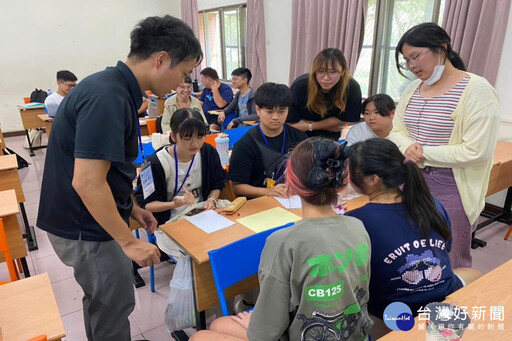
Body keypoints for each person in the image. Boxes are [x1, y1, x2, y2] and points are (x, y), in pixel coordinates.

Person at [36, 15, 202, 341]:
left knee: (102, 302)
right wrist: (129, 242)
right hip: (85, 227)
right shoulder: (107, 97)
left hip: (90, 218)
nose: (182, 82)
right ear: (161, 59)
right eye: (183, 73)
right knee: (114, 304)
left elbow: (108, 171)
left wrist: (132, 207)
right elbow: (86, 182)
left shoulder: (113, 87)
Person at [191, 138, 373, 341]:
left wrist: (253, 323)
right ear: (342, 181)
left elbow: (265, 334)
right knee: (219, 324)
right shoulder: (358, 227)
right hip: (354, 333)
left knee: (200, 337)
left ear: (291, 183)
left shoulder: (283, 243)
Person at [389, 22, 500, 268]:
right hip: (409, 176)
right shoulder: (413, 89)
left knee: (447, 255)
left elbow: (477, 150)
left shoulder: (476, 89)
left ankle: (448, 305)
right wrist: (407, 146)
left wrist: (423, 153)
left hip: (451, 184)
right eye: (406, 61)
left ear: (442, 48)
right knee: (410, 247)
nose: (412, 66)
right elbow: (397, 130)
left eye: (416, 56)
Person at [346, 138, 482, 337]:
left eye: (351, 172)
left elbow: (352, 275)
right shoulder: (432, 204)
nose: (348, 177)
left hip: (395, 310)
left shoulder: (355, 220)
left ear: (372, 179)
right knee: (473, 273)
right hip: (440, 296)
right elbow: (445, 250)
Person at [135, 108, 225, 257]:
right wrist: (175, 204)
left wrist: (212, 199)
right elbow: (147, 204)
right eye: (187, 137)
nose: (195, 143)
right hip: (172, 220)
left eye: (200, 136)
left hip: (205, 212)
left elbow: (217, 183)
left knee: (232, 237)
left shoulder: (208, 152)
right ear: (173, 136)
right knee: (200, 252)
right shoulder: (154, 163)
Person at [228, 82, 307, 198]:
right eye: (269, 112)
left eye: (281, 111)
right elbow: (237, 186)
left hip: (293, 200)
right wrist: (268, 192)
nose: (275, 117)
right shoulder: (245, 145)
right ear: (258, 110)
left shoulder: (300, 138)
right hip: (261, 204)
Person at [287, 48, 362, 140]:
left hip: (330, 137)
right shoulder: (300, 86)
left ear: (342, 71)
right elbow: (292, 124)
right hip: (299, 136)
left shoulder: (351, 88)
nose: (326, 78)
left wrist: (309, 125)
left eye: (332, 72)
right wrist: (328, 124)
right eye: (321, 71)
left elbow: (343, 120)